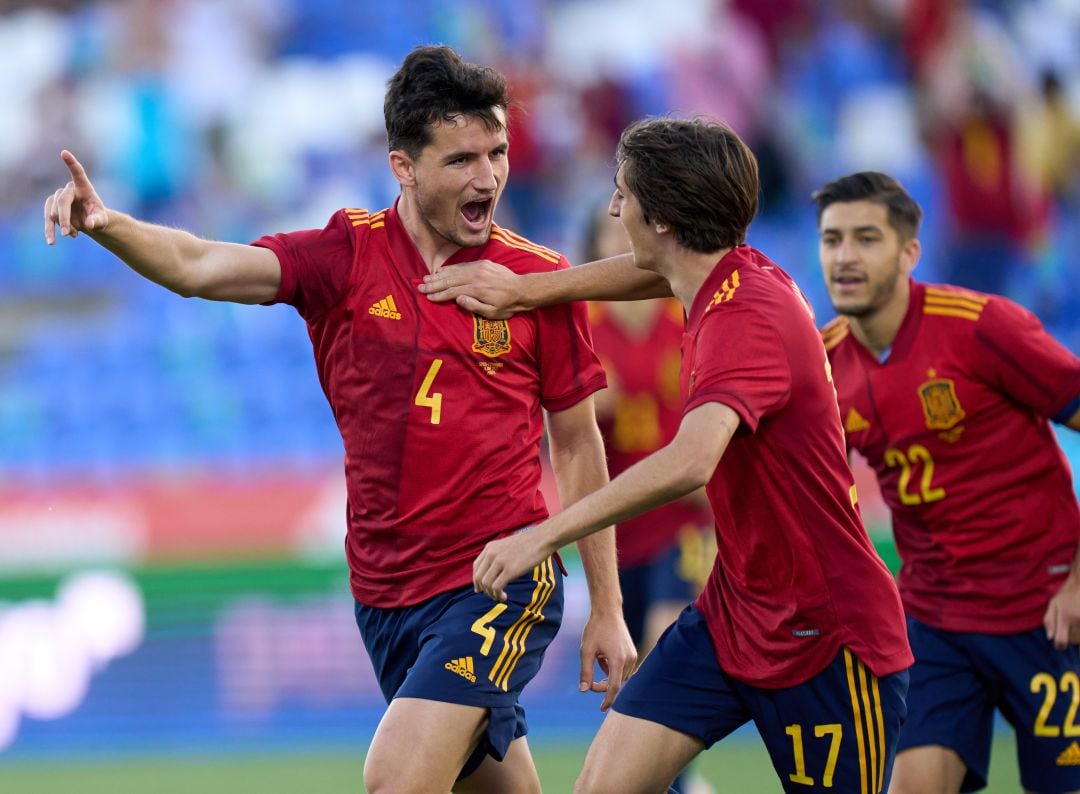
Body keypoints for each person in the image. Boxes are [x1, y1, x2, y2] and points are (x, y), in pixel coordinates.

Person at [42, 45, 636, 794]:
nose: (487, 176)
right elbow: (198, 266)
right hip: (384, 595)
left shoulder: (542, 280)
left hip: (500, 577)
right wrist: (107, 223)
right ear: (404, 167)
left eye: (498, 152)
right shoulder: (345, 256)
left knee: (395, 779)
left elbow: (580, 446)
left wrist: (607, 610)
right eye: (461, 160)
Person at [425, 117, 913, 793]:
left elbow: (690, 462)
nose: (614, 209)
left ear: (661, 220)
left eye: (623, 194)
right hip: (735, 612)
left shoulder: (749, 318)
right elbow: (642, 275)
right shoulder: (720, 274)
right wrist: (528, 290)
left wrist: (545, 534)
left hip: (829, 637)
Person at [811, 171, 1080, 794]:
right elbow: (810, 496)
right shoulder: (824, 364)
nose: (845, 257)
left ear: (909, 253)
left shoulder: (983, 327)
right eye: (831, 240)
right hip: (934, 617)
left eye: (866, 238)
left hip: (1044, 611)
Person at [583, 207, 716, 794]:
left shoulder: (686, 317)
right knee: (633, 670)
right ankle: (671, 781)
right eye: (608, 235)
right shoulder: (579, 328)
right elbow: (548, 435)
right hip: (615, 536)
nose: (622, 244)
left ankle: (678, 783)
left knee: (666, 643)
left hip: (682, 522)